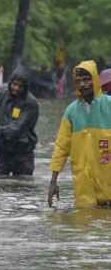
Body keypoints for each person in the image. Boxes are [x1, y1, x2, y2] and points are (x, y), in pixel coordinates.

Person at [48, 60, 111, 209]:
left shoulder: (109, 105)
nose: (83, 84)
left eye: (87, 79)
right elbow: (61, 147)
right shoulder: (71, 112)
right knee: (84, 223)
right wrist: (53, 181)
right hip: (84, 186)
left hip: (107, 177)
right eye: (79, 81)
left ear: (95, 80)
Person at [0, 69, 40, 176]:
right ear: (10, 82)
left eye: (20, 86)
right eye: (14, 84)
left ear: (25, 88)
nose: (16, 88)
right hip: (0, 153)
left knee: (22, 188)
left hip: (22, 155)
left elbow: (16, 129)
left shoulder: (31, 104)